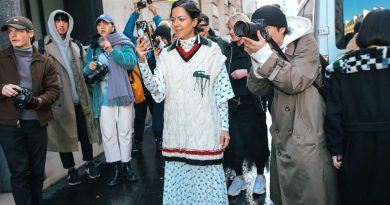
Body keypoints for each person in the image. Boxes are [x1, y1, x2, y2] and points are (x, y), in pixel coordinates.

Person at [135, 0, 233, 204]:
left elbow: (222, 93)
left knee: (208, 195)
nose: (176, 24)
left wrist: (224, 127)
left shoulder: (212, 51)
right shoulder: (167, 55)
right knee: (181, 195)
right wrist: (143, 63)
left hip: (206, 134)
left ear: (194, 21)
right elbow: (158, 93)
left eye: (181, 19)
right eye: (173, 19)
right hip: (177, 137)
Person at [244, 5, 338, 204]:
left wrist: (264, 56)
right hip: (281, 136)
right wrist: (256, 62)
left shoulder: (305, 43)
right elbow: (257, 89)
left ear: (282, 29)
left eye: (265, 29)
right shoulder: (266, 50)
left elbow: (296, 81)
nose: (260, 35)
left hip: (306, 133)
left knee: (310, 193)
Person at [325, 8, 390, 205]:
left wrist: (335, 148)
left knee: (356, 194)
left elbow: (333, 113)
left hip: (355, 145)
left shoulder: (341, 66)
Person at [33, 10, 100, 186]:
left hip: (80, 97)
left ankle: (89, 162)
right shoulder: (40, 46)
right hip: (59, 101)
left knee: (85, 133)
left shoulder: (76, 44)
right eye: (57, 21)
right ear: (51, 24)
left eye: (64, 21)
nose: (61, 24)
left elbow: (85, 70)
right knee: (62, 135)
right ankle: (70, 170)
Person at [0, 16, 60, 205]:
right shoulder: (1, 58)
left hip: (36, 122)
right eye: (10, 32)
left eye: (18, 30)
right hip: (9, 125)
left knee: (36, 172)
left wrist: (37, 101)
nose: (13, 35)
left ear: (30, 33)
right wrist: (1, 88)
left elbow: (54, 90)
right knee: (19, 173)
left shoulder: (45, 61)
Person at [83, 14, 138, 186]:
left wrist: (111, 50)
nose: (102, 27)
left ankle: (126, 165)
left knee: (125, 132)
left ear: (112, 26)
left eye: (105, 24)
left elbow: (130, 62)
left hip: (122, 96)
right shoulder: (93, 47)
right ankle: (115, 167)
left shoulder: (123, 42)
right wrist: (89, 67)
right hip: (104, 98)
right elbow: (85, 70)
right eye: (99, 24)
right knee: (108, 135)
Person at [224, 12, 270, 197]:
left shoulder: (254, 46)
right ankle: (239, 177)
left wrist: (247, 72)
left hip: (253, 103)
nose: (230, 32)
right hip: (234, 105)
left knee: (257, 141)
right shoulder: (228, 49)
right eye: (228, 29)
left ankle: (260, 176)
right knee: (235, 145)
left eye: (233, 28)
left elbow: (267, 67)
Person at [123, 2, 162, 154]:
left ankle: (159, 140)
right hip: (139, 88)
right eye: (142, 30)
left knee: (157, 115)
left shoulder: (157, 46)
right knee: (139, 117)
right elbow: (126, 33)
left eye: (148, 30)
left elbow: (166, 32)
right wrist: (135, 13)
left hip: (154, 87)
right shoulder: (134, 45)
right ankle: (137, 142)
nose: (144, 32)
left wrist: (155, 14)